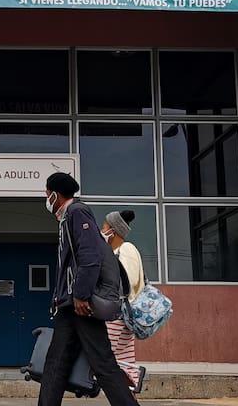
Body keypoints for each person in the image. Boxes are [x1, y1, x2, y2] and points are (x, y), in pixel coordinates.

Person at [39, 172, 139, 406]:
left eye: (47, 193)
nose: (45, 198)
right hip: (69, 305)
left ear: (55, 194)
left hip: (80, 304)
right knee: (56, 364)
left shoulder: (77, 212)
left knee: (102, 362)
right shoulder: (66, 218)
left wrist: (81, 295)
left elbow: (90, 257)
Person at [102, 210, 145, 391]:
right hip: (122, 316)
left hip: (118, 315)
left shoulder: (126, 249)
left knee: (102, 359)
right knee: (123, 363)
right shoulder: (115, 252)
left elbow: (128, 280)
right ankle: (129, 398)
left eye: (104, 226)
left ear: (113, 230)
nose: (101, 229)